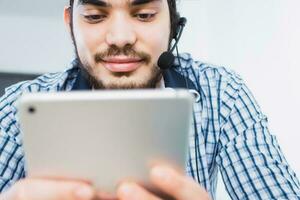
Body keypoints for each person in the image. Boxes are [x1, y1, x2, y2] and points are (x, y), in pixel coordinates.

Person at [0, 0, 299, 199]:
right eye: (95, 16)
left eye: (144, 15)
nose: (119, 37)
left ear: (173, 24)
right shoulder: (20, 103)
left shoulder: (222, 91)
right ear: (70, 24)